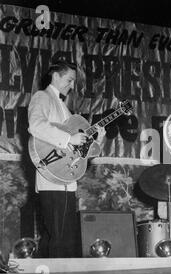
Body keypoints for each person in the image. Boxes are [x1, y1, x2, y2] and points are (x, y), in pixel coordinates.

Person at [28, 60, 105, 258]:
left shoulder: (64, 107)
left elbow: (78, 151)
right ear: (56, 76)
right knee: (59, 238)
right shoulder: (42, 97)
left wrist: (98, 139)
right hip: (52, 179)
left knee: (54, 236)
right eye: (69, 80)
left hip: (65, 180)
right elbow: (36, 125)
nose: (72, 86)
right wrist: (69, 138)